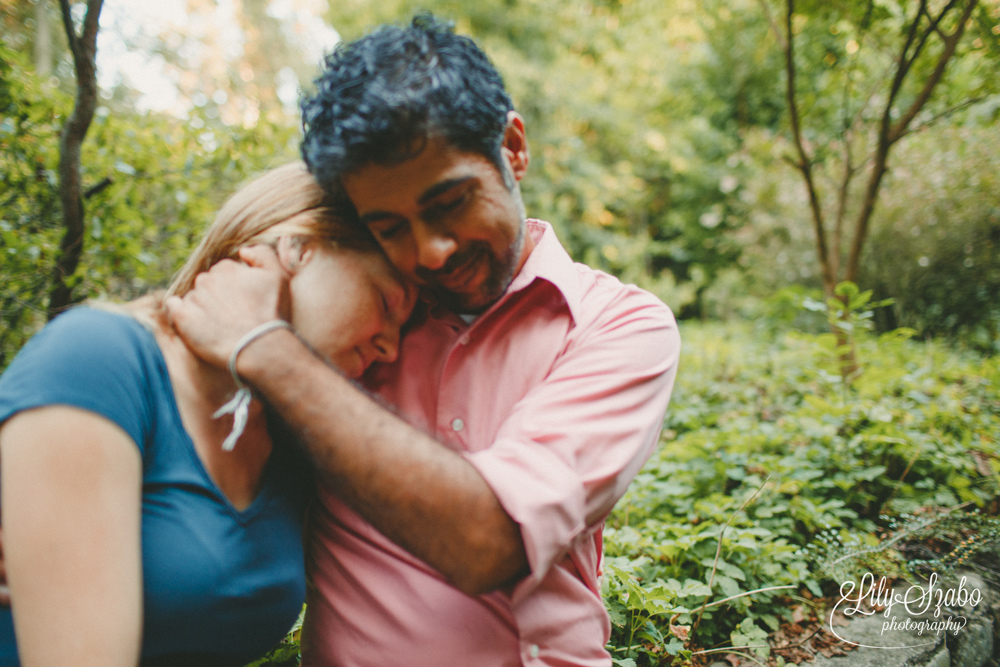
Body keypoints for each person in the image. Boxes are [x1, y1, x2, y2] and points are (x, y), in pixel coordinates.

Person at [166, 14, 682, 667]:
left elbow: (487, 540)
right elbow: (190, 378)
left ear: (514, 147)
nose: (431, 252)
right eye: (390, 226)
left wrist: (270, 351)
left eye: (449, 203)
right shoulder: (353, 319)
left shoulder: (618, 325)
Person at [0, 162, 415, 667]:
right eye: (386, 303)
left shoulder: (290, 443)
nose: (391, 347)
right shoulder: (99, 359)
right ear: (298, 247)